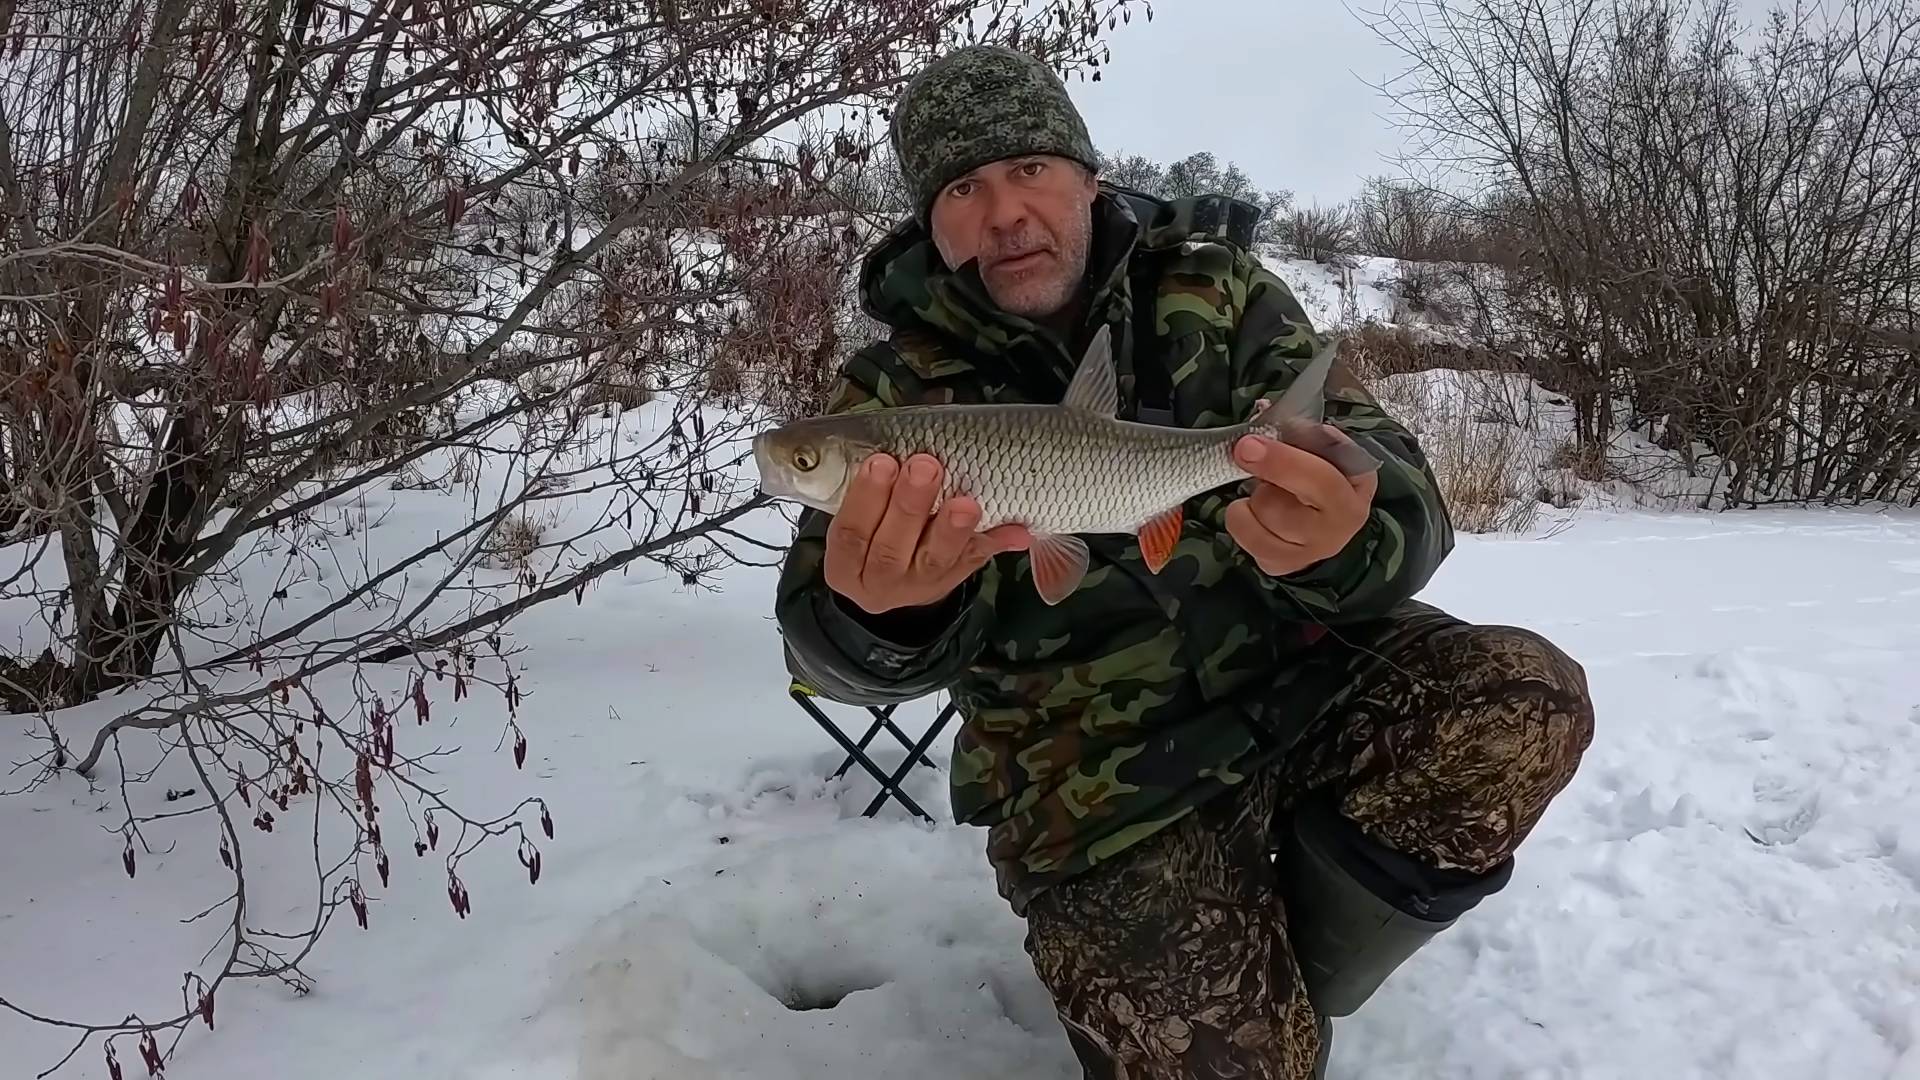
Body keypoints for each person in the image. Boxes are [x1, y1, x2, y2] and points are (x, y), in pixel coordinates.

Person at [770, 44, 1595, 1080]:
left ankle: (1291, 967)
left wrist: (1348, 529)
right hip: (1096, 786)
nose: (1005, 212)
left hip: (1303, 681)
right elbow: (824, 648)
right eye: (963, 189)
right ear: (929, 225)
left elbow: (1398, 490)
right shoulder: (889, 398)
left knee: (1523, 697)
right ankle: (1237, 997)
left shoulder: (1219, 295)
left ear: (1088, 178)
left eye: (1030, 168)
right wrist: (882, 617)